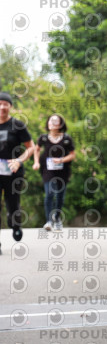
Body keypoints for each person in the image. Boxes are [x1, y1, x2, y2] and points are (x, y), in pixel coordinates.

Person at [0, 92, 34, 254]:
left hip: (13, 172)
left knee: (13, 205)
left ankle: (15, 224)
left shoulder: (17, 125)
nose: (2, 107)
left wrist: (19, 160)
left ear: (10, 107)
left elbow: (31, 148)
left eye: (5, 104)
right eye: (0, 104)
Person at [33, 114, 76, 231]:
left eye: (55, 121)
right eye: (50, 120)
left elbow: (72, 155)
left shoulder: (66, 139)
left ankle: (56, 217)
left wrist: (61, 160)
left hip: (63, 170)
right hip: (48, 170)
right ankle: (48, 221)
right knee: (49, 193)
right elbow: (36, 150)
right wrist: (36, 162)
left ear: (60, 124)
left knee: (60, 196)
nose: (52, 123)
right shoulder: (43, 138)